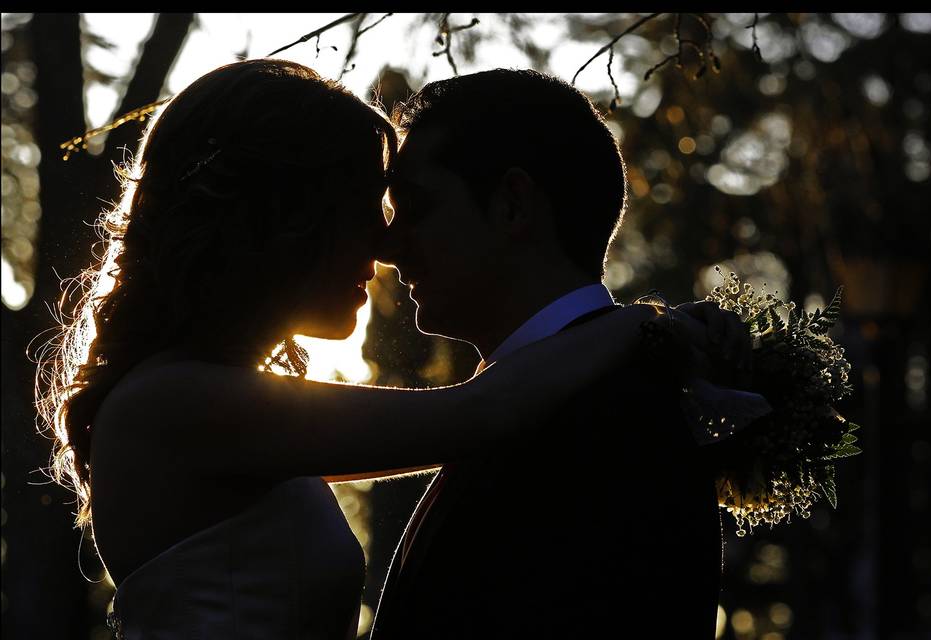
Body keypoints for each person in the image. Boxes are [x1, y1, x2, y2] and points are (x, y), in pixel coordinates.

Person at [35, 60, 727, 639]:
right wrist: (645, 324)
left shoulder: (231, 410)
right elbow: (475, 415)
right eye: (366, 208)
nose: (384, 243)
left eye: (404, 209)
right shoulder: (177, 403)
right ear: (279, 219)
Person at [372, 69, 759, 639]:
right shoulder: (568, 390)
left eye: (415, 207)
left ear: (511, 205)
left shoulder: (614, 414)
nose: (388, 244)